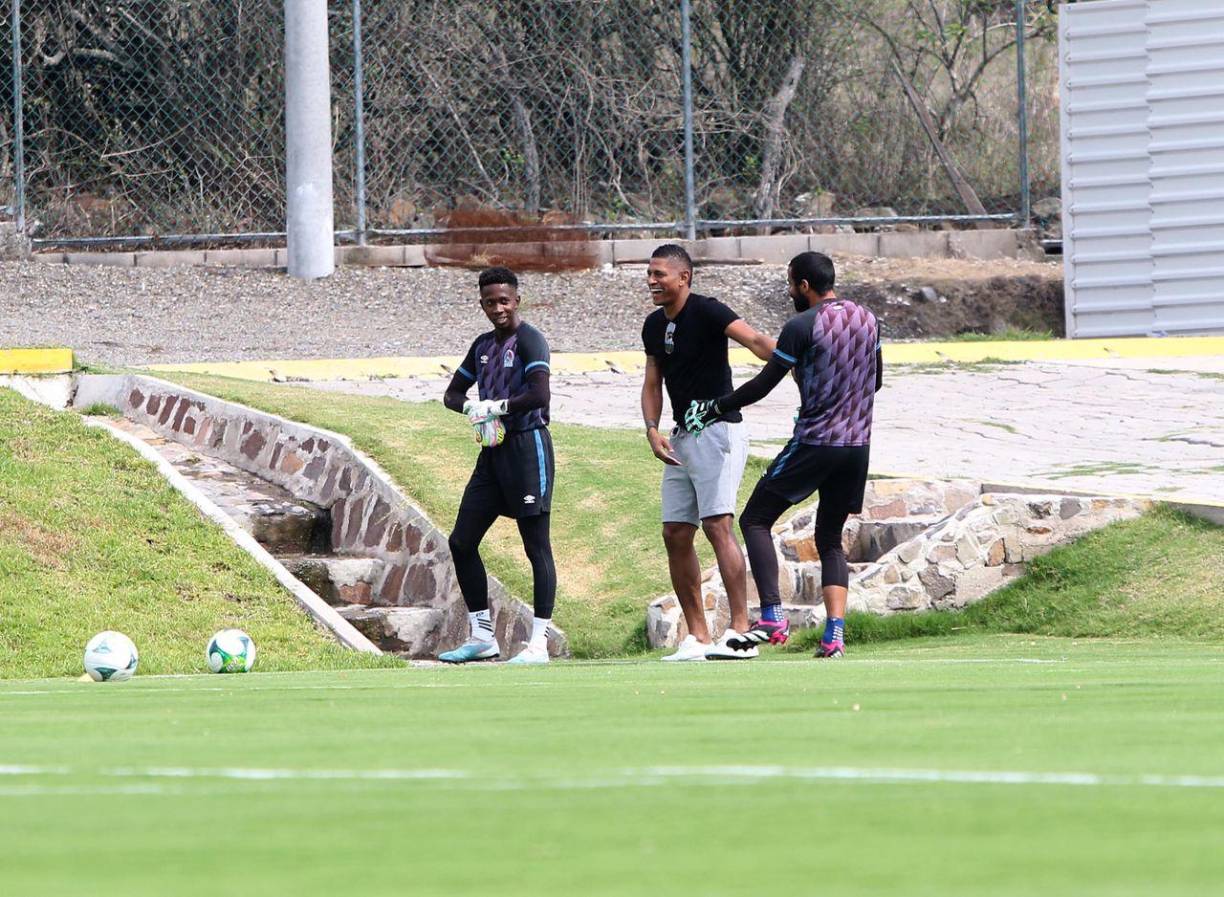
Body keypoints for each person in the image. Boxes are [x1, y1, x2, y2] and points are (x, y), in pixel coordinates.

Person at [685, 251, 881, 659]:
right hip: (857, 447)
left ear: (804, 285)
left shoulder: (801, 325)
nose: (789, 291)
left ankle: (772, 615)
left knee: (755, 518)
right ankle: (835, 636)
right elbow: (875, 380)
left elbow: (763, 384)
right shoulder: (868, 319)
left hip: (815, 442)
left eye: (791, 284)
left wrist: (716, 407)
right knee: (829, 538)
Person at [641, 244, 776, 661]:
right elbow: (652, 383)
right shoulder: (652, 325)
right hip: (681, 436)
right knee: (675, 532)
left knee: (717, 525)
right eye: (649, 274)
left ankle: (739, 630)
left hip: (720, 432)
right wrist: (652, 429)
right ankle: (697, 637)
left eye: (659, 274)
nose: (651, 281)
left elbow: (755, 342)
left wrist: (798, 359)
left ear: (684, 278)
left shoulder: (709, 310)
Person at [438, 266, 557, 665]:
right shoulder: (483, 345)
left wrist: (500, 406)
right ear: (482, 304)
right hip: (492, 452)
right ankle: (483, 636)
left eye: (504, 301)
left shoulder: (530, 341)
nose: (498, 308)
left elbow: (539, 394)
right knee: (461, 540)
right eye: (490, 302)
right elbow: (451, 394)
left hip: (528, 447)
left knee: (535, 545)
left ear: (517, 299)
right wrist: (472, 406)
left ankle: (538, 643)